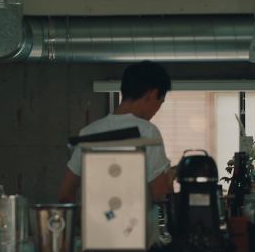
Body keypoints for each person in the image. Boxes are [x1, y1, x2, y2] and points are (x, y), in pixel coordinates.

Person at [59, 60, 175, 204]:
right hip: (135, 219)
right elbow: (161, 195)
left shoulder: (88, 132)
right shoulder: (147, 132)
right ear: (152, 94)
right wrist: (171, 176)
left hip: (95, 218)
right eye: (160, 102)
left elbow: (65, 193)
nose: (157, 110)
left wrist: (83, 216)